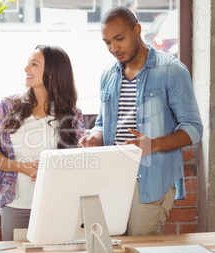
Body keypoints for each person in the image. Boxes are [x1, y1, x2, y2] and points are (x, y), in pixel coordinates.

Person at [80, 6, 203, 236]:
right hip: (112, 181)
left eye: (119, 39)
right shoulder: (108, 74)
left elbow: (193, 128)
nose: (113, 48)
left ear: (137, 30)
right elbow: (101, 122)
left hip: (149, 184)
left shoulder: (171, 70)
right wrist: (94, 138)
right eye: (107, 42)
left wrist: (152, 144)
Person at [0, 45, 86, 241]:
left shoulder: (72, 113)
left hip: (57, 205)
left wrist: (51, 169)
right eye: (27, 63)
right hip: (16, 204)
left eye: (34, 64)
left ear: (52, 73)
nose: (26, 69)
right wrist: (21, 168)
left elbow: (80, 161)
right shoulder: (8, 106)